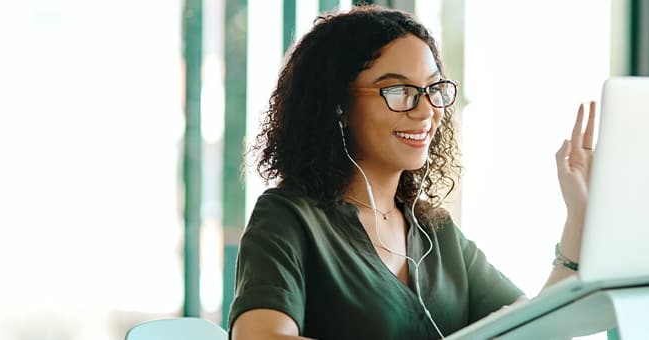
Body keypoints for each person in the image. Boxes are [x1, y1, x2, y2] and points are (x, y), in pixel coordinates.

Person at [229, 5, 597, 340]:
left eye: (433, 89)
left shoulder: (436, 233)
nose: (425, 111)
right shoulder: (288, 216)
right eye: (399, 90)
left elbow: (534, 327)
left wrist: (580, 212)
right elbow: (260, 337)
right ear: (337, 103)